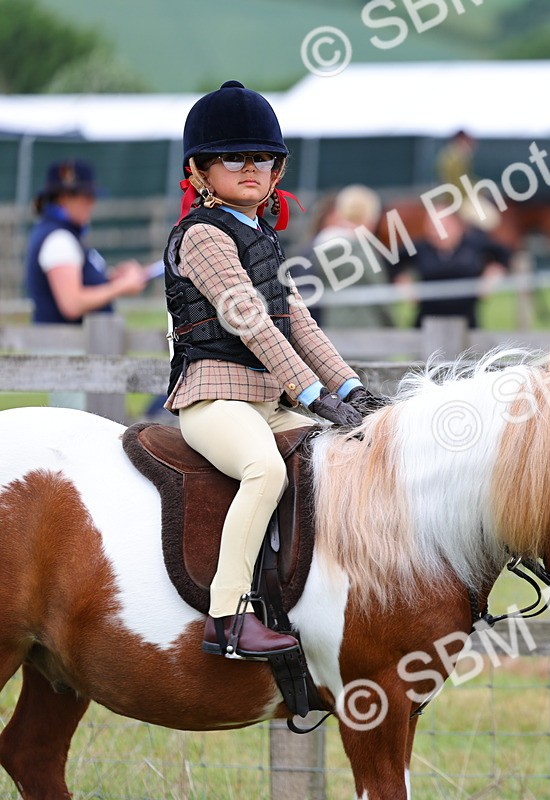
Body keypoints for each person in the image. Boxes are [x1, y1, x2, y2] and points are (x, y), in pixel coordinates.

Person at [164, 80, 385, 660]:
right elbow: (251, 321)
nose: (251, 168)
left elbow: (299, 322)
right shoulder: (203, 236)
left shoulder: (261, 236)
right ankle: (228, 618)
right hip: (215, 398)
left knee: (343, 463)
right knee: (265, 471)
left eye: (262, 158)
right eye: (234, 158)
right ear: (200, 171)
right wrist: (311, 392)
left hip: (269, 396)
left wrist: (352, 390)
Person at [25, 159, 148, 325]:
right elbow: (72, 304)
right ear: (64, 198)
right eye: (86, 196)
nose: (92, 203)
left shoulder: (62, 234)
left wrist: (112, 277)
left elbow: (81, 278)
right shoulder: (59, 239)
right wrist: (121, 287)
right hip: (63, 347)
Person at [389, 204, 509, 330]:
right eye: (430, 225)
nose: (433, 230)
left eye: (440, 225)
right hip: (428, 323)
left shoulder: (473, 245)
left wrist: (491, 277)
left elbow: (504, 255)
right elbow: (391, 264)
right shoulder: (420, 248)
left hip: (466, 323)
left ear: (456, 225)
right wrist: (404, 284)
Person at [302, 184, 395, 329]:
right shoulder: (361, 250)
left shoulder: (318, 248)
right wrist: (392, 324)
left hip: (331, 326)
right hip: (367, 329)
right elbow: (379, 293)